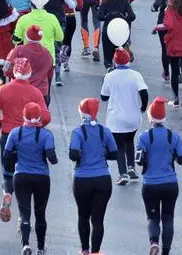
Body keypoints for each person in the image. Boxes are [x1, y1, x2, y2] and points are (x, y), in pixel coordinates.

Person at [0, 58, 51, 224]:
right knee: (25, 176)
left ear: (14, 72)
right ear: (29, 73)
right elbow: (46, 117)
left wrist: (1, 124)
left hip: (7, 136)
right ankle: (23, 219)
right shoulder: (35, 93)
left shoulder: (3, 90)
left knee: (8, 174)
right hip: (27, 137)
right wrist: (36, 126)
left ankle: (7, 193)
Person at [4, 102, 57, 255]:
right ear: (40, 117)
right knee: (40, 213)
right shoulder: (46, 135)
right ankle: (41, 248)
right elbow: (52, 158)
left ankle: (26, 245)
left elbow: (6, 157)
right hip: (41, 178)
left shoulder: (15, 133)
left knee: (24, 212)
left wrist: (16, 157)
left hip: (21, 176)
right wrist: (52, 158)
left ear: (24, 116)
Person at [136, 97, 182, 255]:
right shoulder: (174, 136)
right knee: (168, 217)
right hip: (170, 183)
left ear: (150, 117)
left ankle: (154, 242)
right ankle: (166, 251)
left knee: (152, 217)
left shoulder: (144, 137)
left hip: (150, 184)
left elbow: (138, 160)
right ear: (164, 117)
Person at [69, 98, 118, 255]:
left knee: (83, 215)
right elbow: (114, 153)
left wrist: (83, 154)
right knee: (98, 220)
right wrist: (101, 153)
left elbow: (73, 155)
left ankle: (84, 250)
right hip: (103, 179)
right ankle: (96, 252)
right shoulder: (105, 131)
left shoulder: (78, 132)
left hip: (82, 179)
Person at [101, 47, 149, 185]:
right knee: (129, 141)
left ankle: (123, 173)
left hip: (116, 118)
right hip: (133, 116)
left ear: (115, 62)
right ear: (129, 60)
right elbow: (144, 92)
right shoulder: (135, 75)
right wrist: (143, 107)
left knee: (119, 145)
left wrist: (107, 81)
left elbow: (104, 97)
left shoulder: (110, 76)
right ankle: (132, 168)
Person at [13, 0, 65, 80]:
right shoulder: (52, 18)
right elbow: (60, 37)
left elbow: (16, 40)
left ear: (30, 3)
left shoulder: (23, 19)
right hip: (48, 59)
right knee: (46, 90)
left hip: (29, 59)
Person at [6, 25, 55, 105]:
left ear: (26, 36)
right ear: (41, 38)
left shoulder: (19, 50)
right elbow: (49, 76)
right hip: (40, 93)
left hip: (20, 92)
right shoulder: (47, 54)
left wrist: (14, 76)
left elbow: (7, 69)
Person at [44, 0, 76, 85]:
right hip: (59, 21)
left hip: (46, 20)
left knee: (45, 48)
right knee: (57, 49)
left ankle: (45, 76)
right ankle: (57, 77)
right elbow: (72, 4)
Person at [97, 0, 136, 70]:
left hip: (108, 30)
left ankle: (109, 67)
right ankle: (120, 65)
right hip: (121, 31)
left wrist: (109, 16)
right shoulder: (124, 0)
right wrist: (122, 17)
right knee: (120, 51)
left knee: (107, 54)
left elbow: (100, 17)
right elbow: (132, 17)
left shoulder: (104, 1)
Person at [152, 0, 178, 82]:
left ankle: (166, 73)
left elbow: (156, 4)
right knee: (176, 47)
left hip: (163, 21)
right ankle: (177, 71)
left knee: (164, 48)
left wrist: (154, 7)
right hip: (177, 21)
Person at [60, 0, 83, 73]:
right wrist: (76, 8)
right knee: (68, 40)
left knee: (58, 39)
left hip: (60, 17)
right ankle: (66, 63)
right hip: (71, 17)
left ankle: (58, 59)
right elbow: (80, 4)